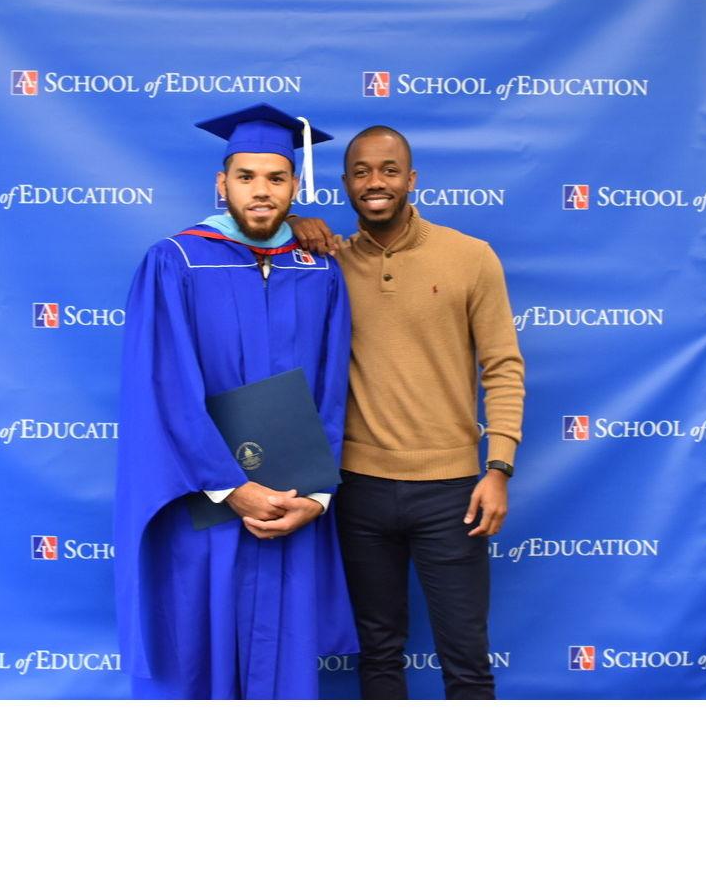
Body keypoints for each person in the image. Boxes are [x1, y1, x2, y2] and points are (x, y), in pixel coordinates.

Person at [114, 103, 358, 700]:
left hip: (292, 503)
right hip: (211, 500)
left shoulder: (318, 272)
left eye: (276, 178)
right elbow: (165, 388)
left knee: (286, 665)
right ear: (221, 184)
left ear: (296, 188)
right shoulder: (177, 261)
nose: (260, 191)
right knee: (205, 655)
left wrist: (316, 494)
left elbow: (331, 387)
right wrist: (233, 486)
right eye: (246, 177)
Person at [288, 125, 524, 700]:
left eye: (389, 170)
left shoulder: (471, 257)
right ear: (345, 184)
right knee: (379, 653)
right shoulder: (327, 263)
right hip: (360, 489)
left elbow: (503, 367)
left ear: (411, 179)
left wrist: (499, 468)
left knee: (466, 659)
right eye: (362, 172)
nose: (376, 182)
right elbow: (248, 245)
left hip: (451, 493)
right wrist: (293, 223)